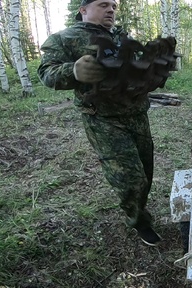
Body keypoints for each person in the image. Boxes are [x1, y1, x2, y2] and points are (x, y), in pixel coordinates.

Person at [37, 0, 162, 246]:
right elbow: (46, 72)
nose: (111, 10)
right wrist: (73, 70)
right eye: (104, 4)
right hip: (102, 119)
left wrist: (153, 67)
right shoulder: (65, 38)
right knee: (130, 178)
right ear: (83, 9)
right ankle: (139, 221)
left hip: (137, 114)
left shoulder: (121, 37)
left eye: (114, 6)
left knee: (146, 172)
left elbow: (135, 68)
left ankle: (139, 209)